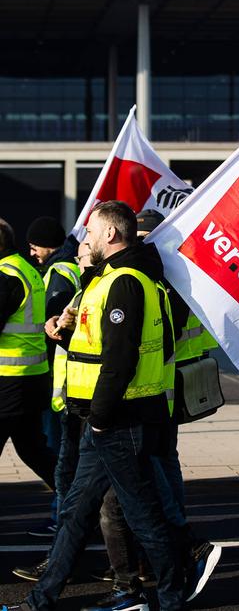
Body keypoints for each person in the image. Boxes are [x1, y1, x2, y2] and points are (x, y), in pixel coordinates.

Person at [1, 201, 183, 611]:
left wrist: (100, 418)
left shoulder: (126, 282)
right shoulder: (110, 280)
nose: (84, 240)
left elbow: (121, 360)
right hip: (102, 420)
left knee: (141, 515)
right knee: (76, 513)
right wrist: (61, 336)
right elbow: (99, 350)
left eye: (90, 233)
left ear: (111, 235)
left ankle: (172, 597)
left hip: (118, 421)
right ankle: (40, 599)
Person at [95, 208, 221, 606]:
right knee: (154, 489)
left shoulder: (151, 281)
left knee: (139, 496)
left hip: (149, 402)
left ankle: (165, 567)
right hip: (157, 400)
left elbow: (153, 344)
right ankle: (164, 564)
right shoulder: (161, 277)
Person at [26, 216, 80, 536]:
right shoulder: (65, 267)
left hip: (57, 376)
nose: (32, 253)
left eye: (35, 247)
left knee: (59, 453)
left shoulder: (58, 273)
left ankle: (62, 518)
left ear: (48, 245)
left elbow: (54, 327)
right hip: (62, 375)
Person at [0, 217, 56, 490]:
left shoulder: (6, 275)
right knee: (33, 450)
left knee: (33, 450)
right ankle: (78, 504)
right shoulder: (24, 268)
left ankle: (79, 505)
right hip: (31, 377)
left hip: (9, 380)